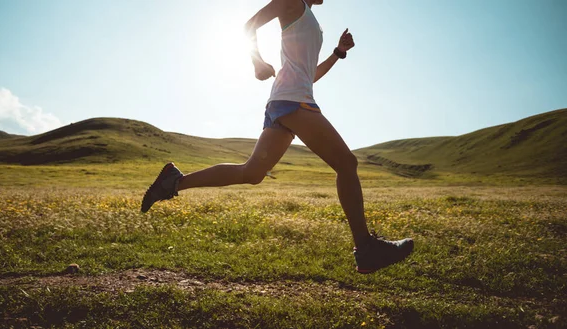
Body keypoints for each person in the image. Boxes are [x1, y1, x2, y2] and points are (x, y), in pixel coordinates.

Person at [141, 0, 413, 273]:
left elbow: (310, 75)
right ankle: (365, 248)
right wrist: (256, 61)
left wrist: (338, 53)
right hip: (292, 102)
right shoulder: (291, 2)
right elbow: (249, 25)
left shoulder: (309, 20)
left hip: (287, 101)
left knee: (252, 173)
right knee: (346, 163)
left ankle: (173, 183)